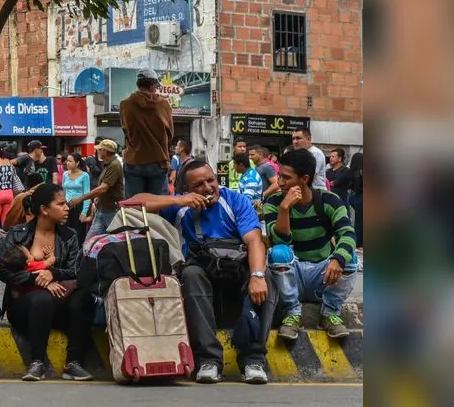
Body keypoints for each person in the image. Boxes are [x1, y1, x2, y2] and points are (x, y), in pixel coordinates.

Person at [126, 158, 276, 385]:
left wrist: (257, 276)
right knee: (190, 275)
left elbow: (255, 240)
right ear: (187, 189)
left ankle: (253, 359)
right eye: (198, 185)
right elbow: (132, 204)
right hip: (202, 269)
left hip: (237, 266)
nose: (207, 188)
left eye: (210, 180)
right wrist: (179, 200)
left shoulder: (235, 200)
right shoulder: (179, 206)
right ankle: (209, 360)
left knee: (267, 278)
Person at [0, 184, 95, 382]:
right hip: (24, 306)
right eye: (61, 204)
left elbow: (76, 272)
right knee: (42, 299)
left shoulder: (69, 236)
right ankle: (37, 362)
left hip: (59, 303)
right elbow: (4, 271)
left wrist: (52, 273)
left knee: (84, 298)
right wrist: (37, 279)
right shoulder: (17, 234)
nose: (67, 207)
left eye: (66, 203)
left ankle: (73, 363)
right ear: (44, 209)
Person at [265, 149, 357, 341]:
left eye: (286, 177)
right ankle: (292, 312)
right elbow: (280, 241)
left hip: (323, 276)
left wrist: (337, 260)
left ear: (304, 179)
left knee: (350, 258)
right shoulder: (274, 202)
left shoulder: (328, 200)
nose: (279, 182)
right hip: (293, 275)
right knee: (279, 252)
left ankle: (330, 313)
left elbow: (347, 234)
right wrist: (284, 209)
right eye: (279, 176)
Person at [120, 68, 174, 197]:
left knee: (134, 206)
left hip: (134, 160)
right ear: (151, 85)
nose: (156, 89)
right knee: (158, 205)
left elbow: (126, 130)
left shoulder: (125, 104)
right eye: (155, 86)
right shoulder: (163, 105)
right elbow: (170, 133)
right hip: (158, 160)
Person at [67, 139, 123, 240]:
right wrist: (97, 197)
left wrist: (80, 199)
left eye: (99, 150)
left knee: (114, 240)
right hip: (102, 209)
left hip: (111, 210)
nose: (97, 152)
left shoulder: (114, 165)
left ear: (105, 151)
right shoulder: (108, 164)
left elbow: (103, 188)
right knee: (90, 241)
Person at [0, 144, 24, 231]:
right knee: (6, 221)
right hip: (9, 194)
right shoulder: (9, 163)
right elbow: (15, 179)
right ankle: (7, 238)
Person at [61, 153, 90, 235]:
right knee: (66, 232)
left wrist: (84, 212)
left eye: (70, 161)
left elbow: (87, 195)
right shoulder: (65, 174)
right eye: (67, 161)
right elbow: (63, 191)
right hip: (67, 206)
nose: (67, 163)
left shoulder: (84, 175)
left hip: (79, 206)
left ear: (77, 163)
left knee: (79, 233)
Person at [348, 152, 363, 251]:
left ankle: (357, 243)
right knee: (361, 222)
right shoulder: (362, 171)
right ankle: (360, 243)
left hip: (353, 197)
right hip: (361, 197)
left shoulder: (350, 171)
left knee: (358, 221)